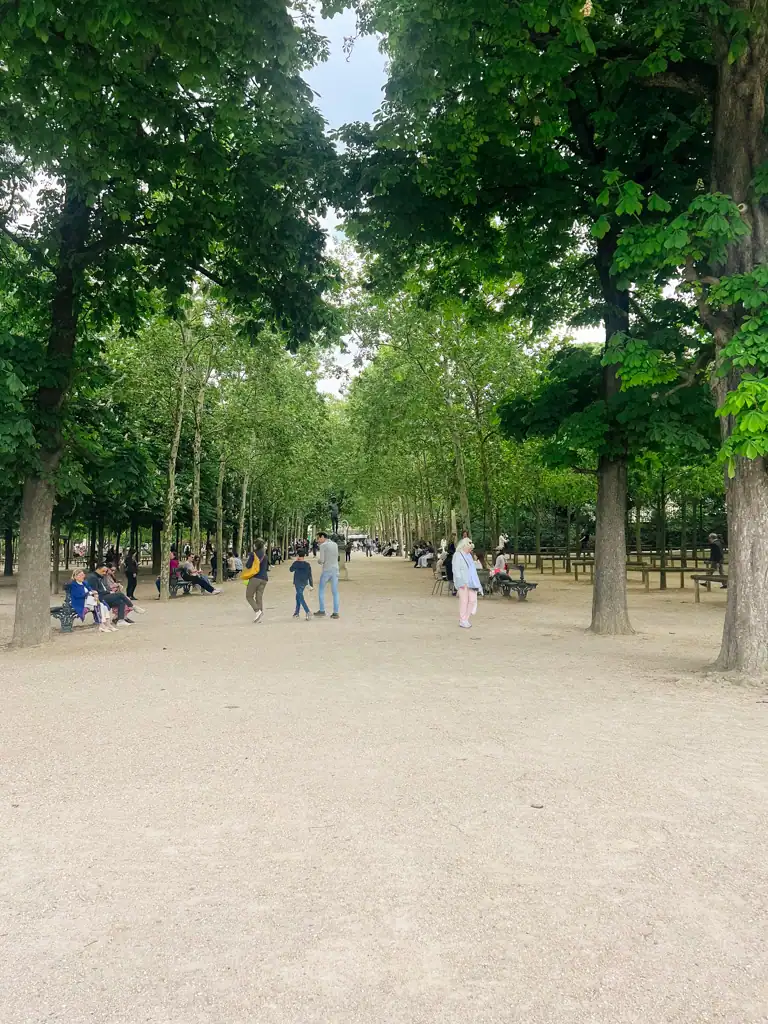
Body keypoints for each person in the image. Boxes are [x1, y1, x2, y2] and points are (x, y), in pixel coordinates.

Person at [452, 537, 483, 629]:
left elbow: (473, 569)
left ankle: (466, 618)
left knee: (472, 600)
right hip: (463, 582)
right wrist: (460, 582)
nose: (471, 549)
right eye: (470, 547)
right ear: (464, 546)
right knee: (464, 601)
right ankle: (462, 620)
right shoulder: (457, 555)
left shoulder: (469, 556)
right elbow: (456, 569)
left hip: (471, 582)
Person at [315, 531, 340, 619]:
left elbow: (322, 560)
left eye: (318, 538)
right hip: (335, 569)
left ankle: (322, 610)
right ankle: (336, 612)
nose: (317, 540)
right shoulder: (335, 544)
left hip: (327, 570)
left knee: (321, 590)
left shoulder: (323, 546)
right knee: (335, 592)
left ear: (322, 537)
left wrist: (318, 561)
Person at [244, 539, 269, 622]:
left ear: (256, 545)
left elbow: (248, 566)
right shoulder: (265, 555)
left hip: (255, 578)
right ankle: (259, 615)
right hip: (264, 579)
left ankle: (257, 611)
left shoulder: (253, 554)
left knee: (249, 596)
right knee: (259, 597)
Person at [289, 549, 313, 620]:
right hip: (304, 582)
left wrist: (296, 561)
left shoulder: (296, 563)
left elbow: (291, 570)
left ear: (298, 556)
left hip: (297, 582)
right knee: (298, 596)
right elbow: (310, 575)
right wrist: (311, 585)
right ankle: (296, 612)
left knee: (300, 597)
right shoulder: (307, 564)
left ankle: (307, 611)